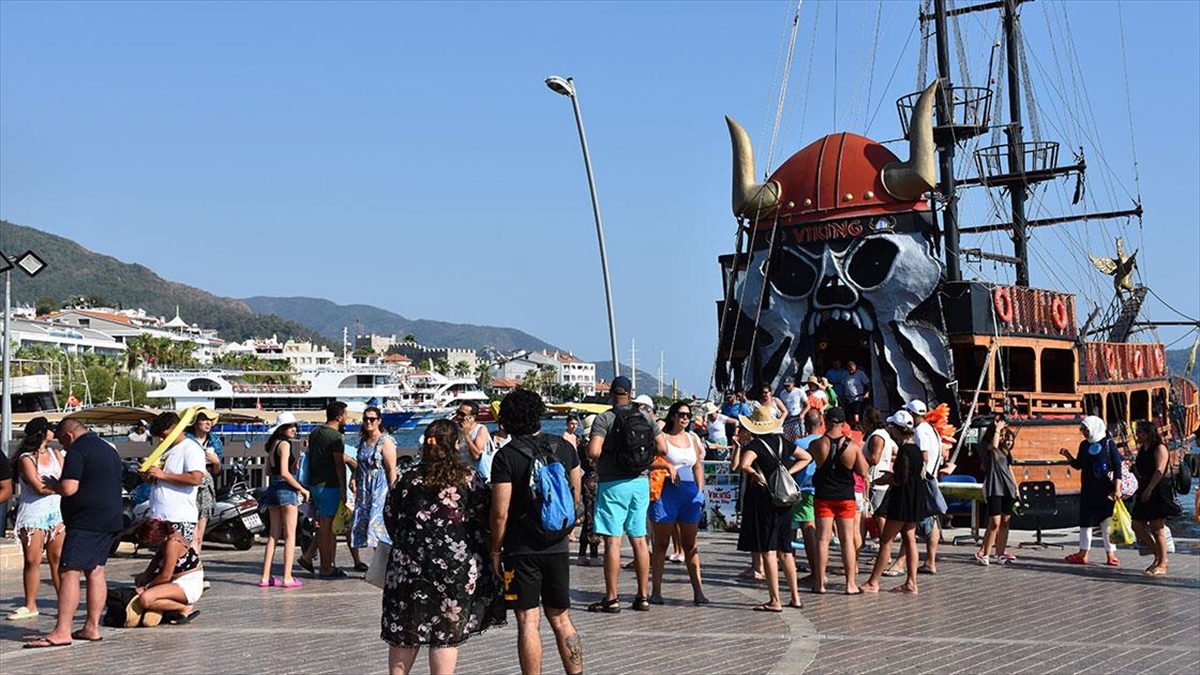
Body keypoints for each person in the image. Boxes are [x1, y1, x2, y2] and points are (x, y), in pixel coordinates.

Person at [383, 419, 506, 675]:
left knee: (405, 630)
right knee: (445, 634)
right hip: (453, 566)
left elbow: (390, 517)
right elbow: (484, 516)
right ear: (456, 445)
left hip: (407, 567)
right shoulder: (469, 479)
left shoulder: (407, 479)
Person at [490, 389, 583, 675]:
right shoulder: (564, 447)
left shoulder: (506, 457)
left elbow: (500, 512)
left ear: (507, 421)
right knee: (561, 618)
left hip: (521, 549)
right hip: (557, 544)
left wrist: (495, 550)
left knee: (528, 621)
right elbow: (576, 495)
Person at [24, 419, 122, 648]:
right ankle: (91, 627)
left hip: (86, 521)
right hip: (110, 518)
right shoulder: (108, 449)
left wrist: (53, 484)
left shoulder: (78, 450)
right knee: (96, 570)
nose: (63, 447)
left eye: (63, 442)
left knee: (69, 571)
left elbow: (69, 488)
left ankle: (62, 631)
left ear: (68, 435)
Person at [585, 375, 667, 613]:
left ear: (611, 393)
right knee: (639, 540)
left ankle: (611, 598)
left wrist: (614, 454)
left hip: (612, 484)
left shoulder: (605, 418)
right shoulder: (644, 417)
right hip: (640, 482)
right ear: (631, 393)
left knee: (613, 541)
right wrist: (640, 459)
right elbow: (663, 448)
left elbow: (593, 451)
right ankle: (642, 597)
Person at [736, 407, 808, 611]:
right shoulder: (783, 442)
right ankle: (795, 597)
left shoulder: (755, 445)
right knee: (786, 550)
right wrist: (787, 472)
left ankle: (775, 599)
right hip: (784, 500)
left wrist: (754, 475)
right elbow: (806, 457)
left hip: (765, 499)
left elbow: (744, 464)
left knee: (768, 550)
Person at [648, 401, 710, 606]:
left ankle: (698, 591)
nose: (685, 418)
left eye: (688, 415)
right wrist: (667, 466)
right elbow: (647, 459)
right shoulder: (662, 437)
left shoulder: (693, 438)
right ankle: (656, 591)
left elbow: (698, 465)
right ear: (673, 416)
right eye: (681, 414)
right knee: (661, 544)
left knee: (690, 545)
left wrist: (700, 491)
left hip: (689, 492)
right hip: (666, 492)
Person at [8, 417, 64, 620]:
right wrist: (60, 487)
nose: (53, 432)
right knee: (32, 559)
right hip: (33, 513)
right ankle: (30, 604)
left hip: (56, 512)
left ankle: (63, 601)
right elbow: (38, 486)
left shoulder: (57, 454)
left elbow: (65, 478)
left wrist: (58, 487)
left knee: (57, 559)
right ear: (41, 433)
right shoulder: (26, 458)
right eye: (50, 429)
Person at [861, 411, 923, 594]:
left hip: (902, 500)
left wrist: (886, 479)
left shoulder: (904, 450)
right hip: (914, 499)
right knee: (910, 540)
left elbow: (901, 478)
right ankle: (911, 582)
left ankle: (873, 582)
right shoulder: (917, 449)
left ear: (897, 429)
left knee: (886, 541)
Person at [809, 407, 868, 595]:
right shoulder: (853, 447)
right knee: (847, 540)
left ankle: (820, 583)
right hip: (845, 497)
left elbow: (812, 462)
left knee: (822, 539)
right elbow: (864, 471)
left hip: (823, 496)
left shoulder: (817, 444)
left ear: (825, 421)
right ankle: (850, 584)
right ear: (843, 424)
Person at [1059, 416, 1122, 566]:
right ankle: (1083, 553)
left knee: (1106, 522)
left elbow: (1117, 466)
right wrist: (1068, 455)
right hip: (1088, 488)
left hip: (1105, 489)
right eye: (1082, 430)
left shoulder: (1108, 443)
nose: (1084, 432)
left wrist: (1117, 488)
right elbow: (1078, 465)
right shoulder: (1084, 445)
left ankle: (1110, 554)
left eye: (1086, 429)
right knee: (1085, 522)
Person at [299, 401, 349, 578]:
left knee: (324, 524)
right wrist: (343, 487)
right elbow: (339, 465)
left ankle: (309, 557)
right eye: (345, 414)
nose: (347, 418)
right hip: (329, 485)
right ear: (339, 416)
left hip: (315, 483)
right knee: (326, 527)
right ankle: (326, 566)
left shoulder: (316, 432)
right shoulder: (335, 437)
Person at [259, 412, 309, 588]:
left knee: (273, 534)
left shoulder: (272, 445)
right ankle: (287, 577)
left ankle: (265, 577)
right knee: (289, 536)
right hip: (285, 490)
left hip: (272, 489)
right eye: (290, 426)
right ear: (282, 429)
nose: (294, 429)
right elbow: (285, 472)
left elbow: (267, 471)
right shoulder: (285, 445)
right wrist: (301, 489)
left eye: (295, 426)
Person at [145, 412, 207, 545]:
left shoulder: (191, 449)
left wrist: (164, 475)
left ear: (175, 429)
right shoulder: (165, 450)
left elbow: (196, 478)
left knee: (177, 561)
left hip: (178, 517)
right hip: (159, 515)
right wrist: (148, 476)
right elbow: (158, 478)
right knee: (162, 561)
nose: (161, 440)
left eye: (164, 436)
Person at [132, 519, 204, 622]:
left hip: (188, 583)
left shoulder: (172, 543)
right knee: (140, 580)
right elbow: (157, 558)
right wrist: (146, 574)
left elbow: (165, 576)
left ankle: (183, 608)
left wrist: (145, 588)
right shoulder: (166, 538)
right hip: (175, 579)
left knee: (145, 599)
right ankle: (167, 608)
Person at [1130, 420, 1173, 577]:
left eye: (1141, 432)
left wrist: (1149, 489)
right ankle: (1159, 555)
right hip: (1144, 487)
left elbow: (1159, 470)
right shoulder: (1143, 449)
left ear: (1149, 433)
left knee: (1157, 527)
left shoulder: (1159, 448)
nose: (1137, 435)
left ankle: (1162, 564)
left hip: (1157, 489)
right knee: (1136, 524)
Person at [353, 406, 398, 556]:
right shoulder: (363, 441)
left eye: (372, 419)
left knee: (377, 527)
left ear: (379, 421)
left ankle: (383, 564)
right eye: (365, 419)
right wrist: (354, 478)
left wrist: (393, 491)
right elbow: (359, 464)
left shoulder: (385, 441)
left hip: (380, 489)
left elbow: (391, 468)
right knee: (369, 529)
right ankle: (379, 564)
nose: (368, 422)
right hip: (365, 490)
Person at [975, 419, 1019, 566]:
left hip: (1008, 488)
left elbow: (1009, 469)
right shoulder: (989, 449)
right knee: (994, 522)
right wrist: (998, 429)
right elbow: (993, 446)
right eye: (1001, 435)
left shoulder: (1005, 452)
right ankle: (986, 553)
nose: (1002, 438)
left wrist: (1016, 486)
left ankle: (1000, 554)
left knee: (1005, 523)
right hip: (995, 487)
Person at [908, 400, 942, 575]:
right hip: (933, 476)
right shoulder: (932, 429)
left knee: (913, 521)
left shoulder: (920, 431)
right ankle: (930, 560)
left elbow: (924, 456)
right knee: (932, 519)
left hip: (923, 479)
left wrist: (916, 476)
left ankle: (901, 561)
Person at [790, 409, 823, 585]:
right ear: (821, 422)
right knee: (821, 532)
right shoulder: (826, 441)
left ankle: (816, 571)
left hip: (805, 489)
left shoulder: (800, 443)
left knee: (807, 530)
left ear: (805, 424)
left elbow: (790, 462)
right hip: (824, 490)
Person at [186, 408, 223, 555]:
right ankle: (187, 567)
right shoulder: (186, 439)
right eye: (204, 419)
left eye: (210, 420)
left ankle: (196, 566)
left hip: (207, 485)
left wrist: (216, 462)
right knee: (190, 533)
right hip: (190, 485)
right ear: (195, 422)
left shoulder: (215, 441)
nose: (208, 423)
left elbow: (217, 472)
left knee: (199, 535)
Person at [575, 415, 601, 567]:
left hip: (586, 481)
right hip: (596, 482)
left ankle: (582, 553)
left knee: (588, 518)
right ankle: (594, 553)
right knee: (593, 518)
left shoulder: (581, 444)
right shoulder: (592, 445)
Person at [457, 401, 496, 482]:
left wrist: (466, 435)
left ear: (472, 417)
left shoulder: (480, 429)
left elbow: (477, 456)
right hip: (459, 474)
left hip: (475, 477)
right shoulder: (456, 429)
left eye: (462, 414)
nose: (458, 416)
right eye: (458, 413)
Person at [841, 361, 871, 427]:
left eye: (852, 368)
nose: (851, 370)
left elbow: (868, 384)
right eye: (849, 369)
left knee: (856, 416)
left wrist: (867, 393)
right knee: (849, 415)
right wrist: (843, 396)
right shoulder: (845, 375)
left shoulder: (860, 374)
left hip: (858, 398)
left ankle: (859, 427)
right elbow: (843, 386)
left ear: (855, 367)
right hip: (848, 398)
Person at [778, 377, 806, 443]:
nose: (787, 387)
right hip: (788, 419)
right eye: (785, 386)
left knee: (799, 437)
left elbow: (808, 405)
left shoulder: (799, 391)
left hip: (797, 417)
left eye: (788, 385)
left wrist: (802, 414)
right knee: (788, 438)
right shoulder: (782, 393)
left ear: (793, 384)